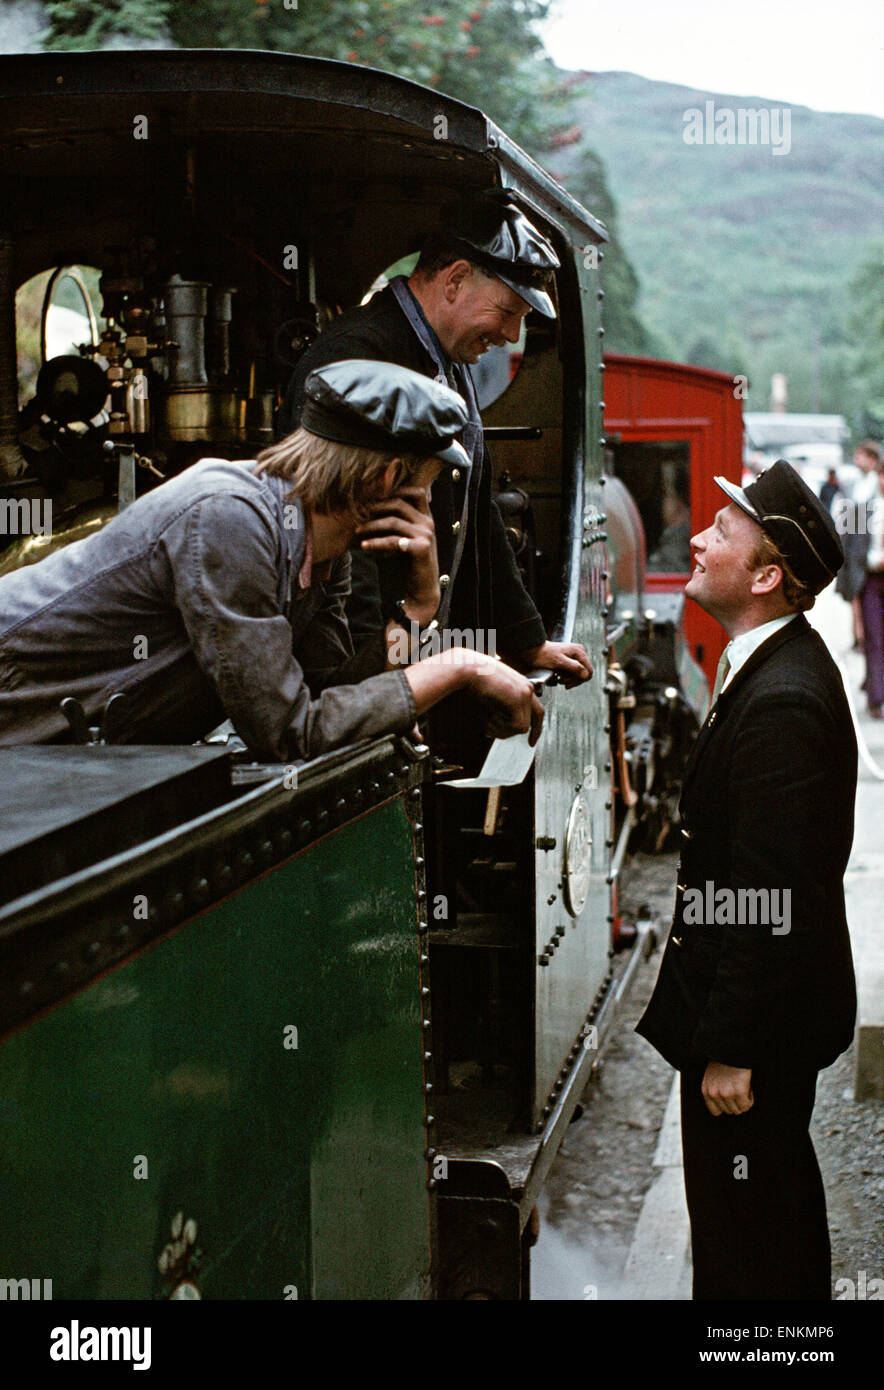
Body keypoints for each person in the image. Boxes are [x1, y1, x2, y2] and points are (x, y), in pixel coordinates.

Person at [0, 360, 543, 759]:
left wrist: (419, 606)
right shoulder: (229, 520)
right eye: (423, 491)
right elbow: (289, 734)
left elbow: (330, 696)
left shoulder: (323, 546)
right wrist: (456, 665)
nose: (423, 508)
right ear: (386, 479)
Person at [636, 459, 857, 1301]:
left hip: (753, 1041)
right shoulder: (768, 667)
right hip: (751, 1023)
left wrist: (730, 1047)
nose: (697, 536)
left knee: (754, 1241)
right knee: (751, 1226)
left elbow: (773, 899)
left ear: (766, 576)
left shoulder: (785, 703)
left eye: (722, 531)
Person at [278, 189, 592, 695]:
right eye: (508, 311)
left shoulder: (447, 360)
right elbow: (339, 535)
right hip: (369, 654)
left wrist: (524, 639)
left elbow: (476, 506)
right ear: (456, 279)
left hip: (407, 651)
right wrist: (369, 679)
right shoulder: (358, 356)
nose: (512, 335)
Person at [835, 440, 882, 649]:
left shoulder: (873, 487)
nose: (857, 460)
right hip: (855, 548)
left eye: (861, 455)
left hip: (867, 551)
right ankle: (859, 635)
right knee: (856, 596)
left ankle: (862, 635)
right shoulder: (855, 485)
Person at [860, 461, 884, 718]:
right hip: (872, 579)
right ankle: (876, 698)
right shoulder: (863, 508)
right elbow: (851, 549)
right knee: (874, 638)